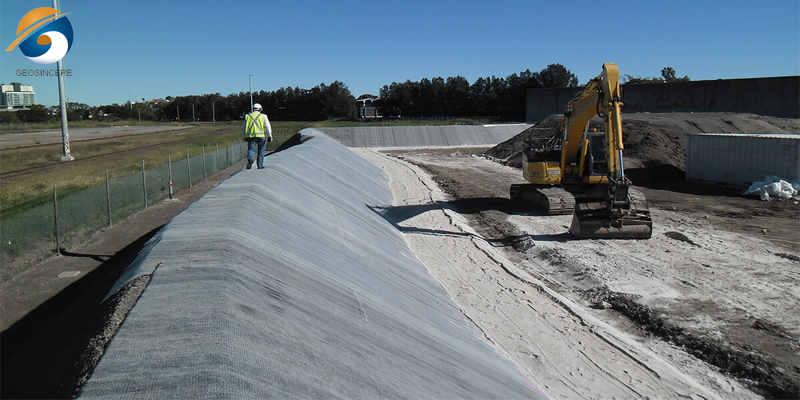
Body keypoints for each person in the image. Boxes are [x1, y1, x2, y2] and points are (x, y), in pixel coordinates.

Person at [242, 103, 273, 169]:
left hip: (251, 136)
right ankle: (260, 165)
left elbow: (244, 127)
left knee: (251, 149)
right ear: (260, 109)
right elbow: (267, 126)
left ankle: (250, 159)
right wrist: (270, 135)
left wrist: (244, 135)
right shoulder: (263, 116)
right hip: (261, 136)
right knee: (261, 150)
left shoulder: (247, 116)